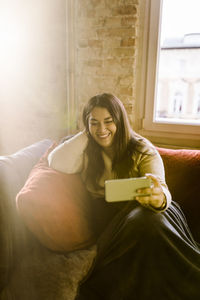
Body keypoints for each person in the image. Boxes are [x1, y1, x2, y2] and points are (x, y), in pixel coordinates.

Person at [48, 93, 200, 300]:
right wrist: (87, 131)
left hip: (151, 211)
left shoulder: (141, 148)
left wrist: (158, 198)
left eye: (109, 122)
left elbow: (162, 189)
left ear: (120, 121)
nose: (102, 130)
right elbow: (56, 162)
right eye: (95, 123)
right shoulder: (85, 150)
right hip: (113, 221)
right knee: (145, 224)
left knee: (148, 221)